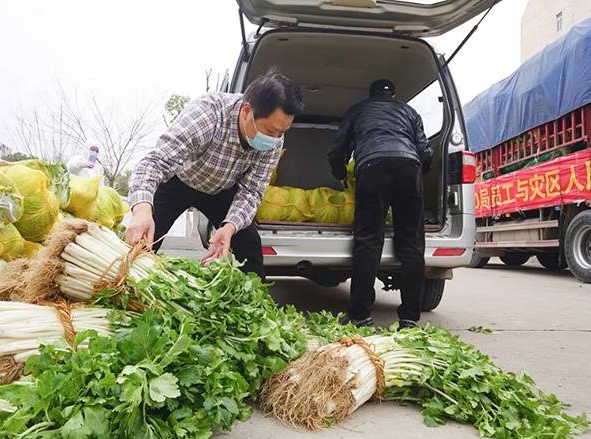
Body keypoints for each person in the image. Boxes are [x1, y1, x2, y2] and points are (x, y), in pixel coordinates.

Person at [126, 71, 304, 279]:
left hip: (221, 190)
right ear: (247, 111)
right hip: (179, 180)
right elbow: (155, 162)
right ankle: (125, 288)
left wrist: (228, 228)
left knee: (249, 245)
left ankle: (256, 305)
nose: (275, 139)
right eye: (271, 130)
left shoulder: (274, 141)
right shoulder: (209, 114)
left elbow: (252, 191)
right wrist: (141, 211)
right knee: (144, 239)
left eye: (281, 132)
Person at [328, 79, 433, 330]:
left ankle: (361, 314)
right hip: (409, 166)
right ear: (394, 94)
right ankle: (409, 318)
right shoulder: (409, 112)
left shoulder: (358, 110)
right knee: (411, 243)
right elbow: (426, 151)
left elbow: (337, 149)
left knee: (368, 240)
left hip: (372, 167)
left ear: (371, 94)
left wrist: (340, 173)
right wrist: (419, 174)